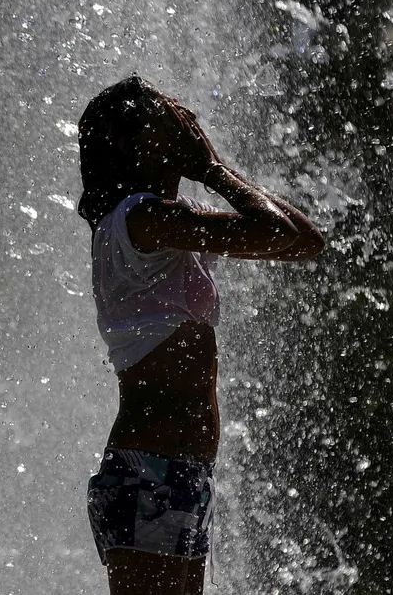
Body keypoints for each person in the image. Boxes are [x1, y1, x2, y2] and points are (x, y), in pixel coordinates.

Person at [76, 76, 324, 595]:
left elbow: (304, 242)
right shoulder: (137, 219)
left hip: (181, 471)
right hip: (150, 471)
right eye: (165, 115)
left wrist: (211, 172)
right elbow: (281, 234)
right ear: (130, 142)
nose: (186, 120)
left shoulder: (161, 231)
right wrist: (212, 171)